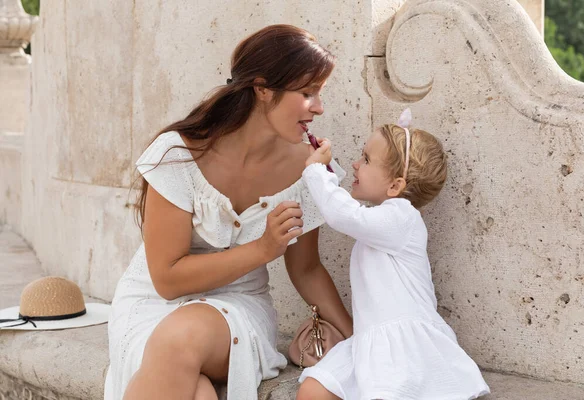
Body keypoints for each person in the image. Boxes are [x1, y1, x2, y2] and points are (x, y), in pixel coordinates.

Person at [103, 24, 353, 400]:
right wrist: (262, 249)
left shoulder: (309, 170)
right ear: (263, 88)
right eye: (307, 93)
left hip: (237, 306)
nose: (319, 107)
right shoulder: (178, 154)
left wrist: (361, 340)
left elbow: (306, 268)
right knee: (198, 392)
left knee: (176, 341)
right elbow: (167, 279)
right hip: (152, 304)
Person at [296, 113, 491, 399]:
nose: (355, 164)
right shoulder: (383, 221)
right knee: (312, 390)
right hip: (370, 341)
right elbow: (348, 211)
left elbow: (344, 215)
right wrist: (326, 173)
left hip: (402, 346)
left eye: (365, 159)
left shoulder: (403, 218)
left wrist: (314, 172)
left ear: (395, 187)